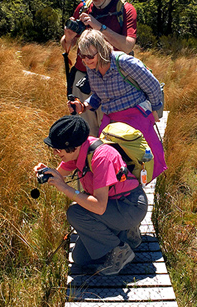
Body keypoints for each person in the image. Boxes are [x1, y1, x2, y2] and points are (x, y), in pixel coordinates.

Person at [34, 115, 148, 275]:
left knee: (76, 213)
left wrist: (66, 189)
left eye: (58, 149)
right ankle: (125, 233)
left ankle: (121, 251)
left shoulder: (101, 157)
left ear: (72, 146)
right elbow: (60, 175)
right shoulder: (79, 150)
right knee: (80, 258)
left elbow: (99, 207)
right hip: (114, 205)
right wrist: (47, 172)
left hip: (130, 206)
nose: (55, 152)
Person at [68, 28, 167, 180]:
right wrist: (83, 106)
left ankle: (138, 196)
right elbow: (98, 96)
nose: (86, 61)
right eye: (83, 56)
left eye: (90, 56)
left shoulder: (125, 63)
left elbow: (152, 86)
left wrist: (155, 109)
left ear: (101, 50)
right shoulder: (92, 68)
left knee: (140, 162)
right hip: (111, 123)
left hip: (135, 119)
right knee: (114, 166)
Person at [61, 0, 138, 136]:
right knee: (84, 133)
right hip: (83, 79)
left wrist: (99, 26)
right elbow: (67, 47)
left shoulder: (125, 10)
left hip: (112, 80)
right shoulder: (83, 7)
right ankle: (87, 162)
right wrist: (68, 37)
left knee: (111, 133)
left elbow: (127, 46)